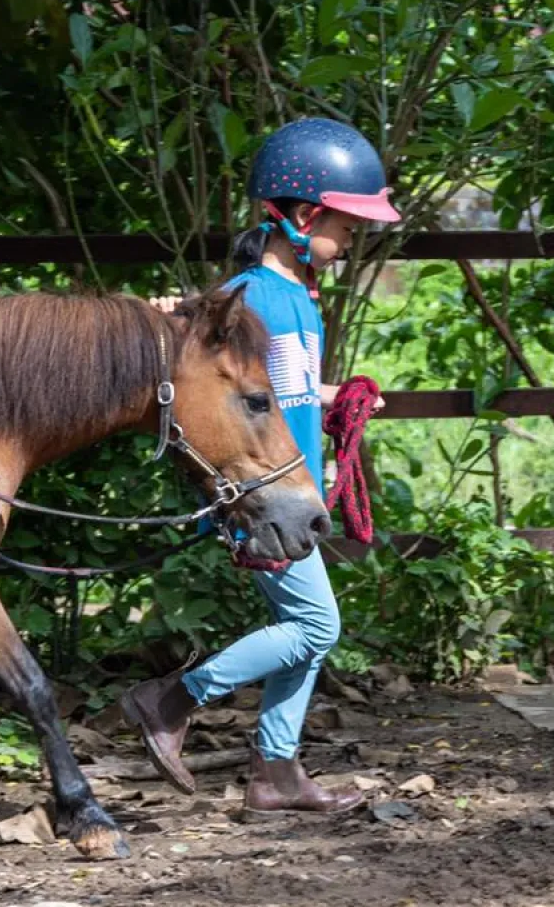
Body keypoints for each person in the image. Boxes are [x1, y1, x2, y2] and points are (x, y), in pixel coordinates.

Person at [124, 117, 400, 818]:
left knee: (308, 631)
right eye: (347, 227)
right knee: (317, 627)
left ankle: (276, 772)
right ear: (305, 218)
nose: (352, 241)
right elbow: (202, 373)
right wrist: (167, 318)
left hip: (291, 488)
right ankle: (172, 700)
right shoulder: (244, 301)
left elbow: (285, 389)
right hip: (259, 491)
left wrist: (339, 397)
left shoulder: (300, 296)